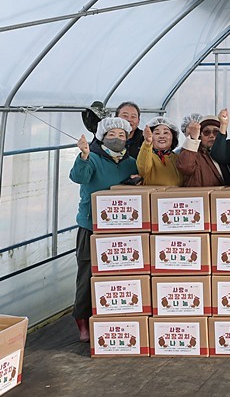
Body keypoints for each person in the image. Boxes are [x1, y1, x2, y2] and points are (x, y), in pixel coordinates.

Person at [69, 117, 139, 341]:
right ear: (102, 137)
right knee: (87, 274)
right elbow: (79, 176)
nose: (117, 138)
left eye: (121, 135)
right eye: (111, 134)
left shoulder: (131, 162)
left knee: (119, 274)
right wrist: (83, 155)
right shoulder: (93, 158)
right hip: (91, 226)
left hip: (122, 227)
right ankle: (83, 321)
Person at [177, 114, 230, 187]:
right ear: (199, 136)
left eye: (216, 132)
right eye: (206, 132)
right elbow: (185, 167)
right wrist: (193, 139)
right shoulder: (193, 154)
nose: (211, 136)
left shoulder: (228, 150)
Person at [137, 116, 181, 186]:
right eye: (157, 133)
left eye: (166, 133)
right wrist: (147, 143)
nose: (161, 136)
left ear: (173, 137)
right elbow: (143, 168)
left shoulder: (178, 158)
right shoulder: (147, 156)